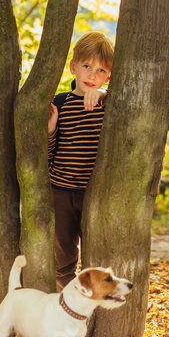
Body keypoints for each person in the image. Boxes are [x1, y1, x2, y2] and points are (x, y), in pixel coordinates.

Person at [47, 32, 114, 291]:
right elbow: (50, 154)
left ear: (107, 77)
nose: (92, 75)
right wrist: (51, 131)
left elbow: (117, 92)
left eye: (100, 70)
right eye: (86, 66)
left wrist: (103, 93)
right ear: (74, 66)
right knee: (63, 260)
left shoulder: (107, 103)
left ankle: (94, 303)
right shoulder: (60, 103)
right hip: (60, 192)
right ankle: (70, 305)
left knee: (96, 253)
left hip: (93, 194)